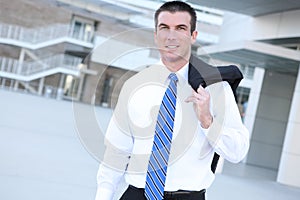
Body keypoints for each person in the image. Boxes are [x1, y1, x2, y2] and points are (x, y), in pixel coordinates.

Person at [95, 1, 249, 200]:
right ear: (155, 34)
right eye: (164, 28)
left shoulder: (217, 88)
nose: (171, 36)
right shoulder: (134, 86)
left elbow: (238, 152)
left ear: (193, 36)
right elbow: (116, 152)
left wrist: (207, 121)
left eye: (181, 28)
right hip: (137, 195)